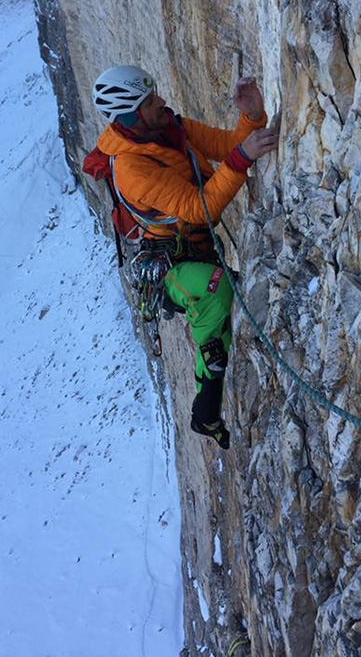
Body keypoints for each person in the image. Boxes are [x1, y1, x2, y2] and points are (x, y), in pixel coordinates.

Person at [91, 65, 278, 449]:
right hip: (171, 269)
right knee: (215, 289)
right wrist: (243, 158)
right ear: (131, 116)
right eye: (150, 101)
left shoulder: (167, 129)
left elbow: (227, 146)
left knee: (221, 292)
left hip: (195, 251)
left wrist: (252, 115)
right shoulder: (131, 168)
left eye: (155, 93)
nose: (161, 101)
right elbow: (199, 208)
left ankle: (206, 408)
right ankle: (204, 408)